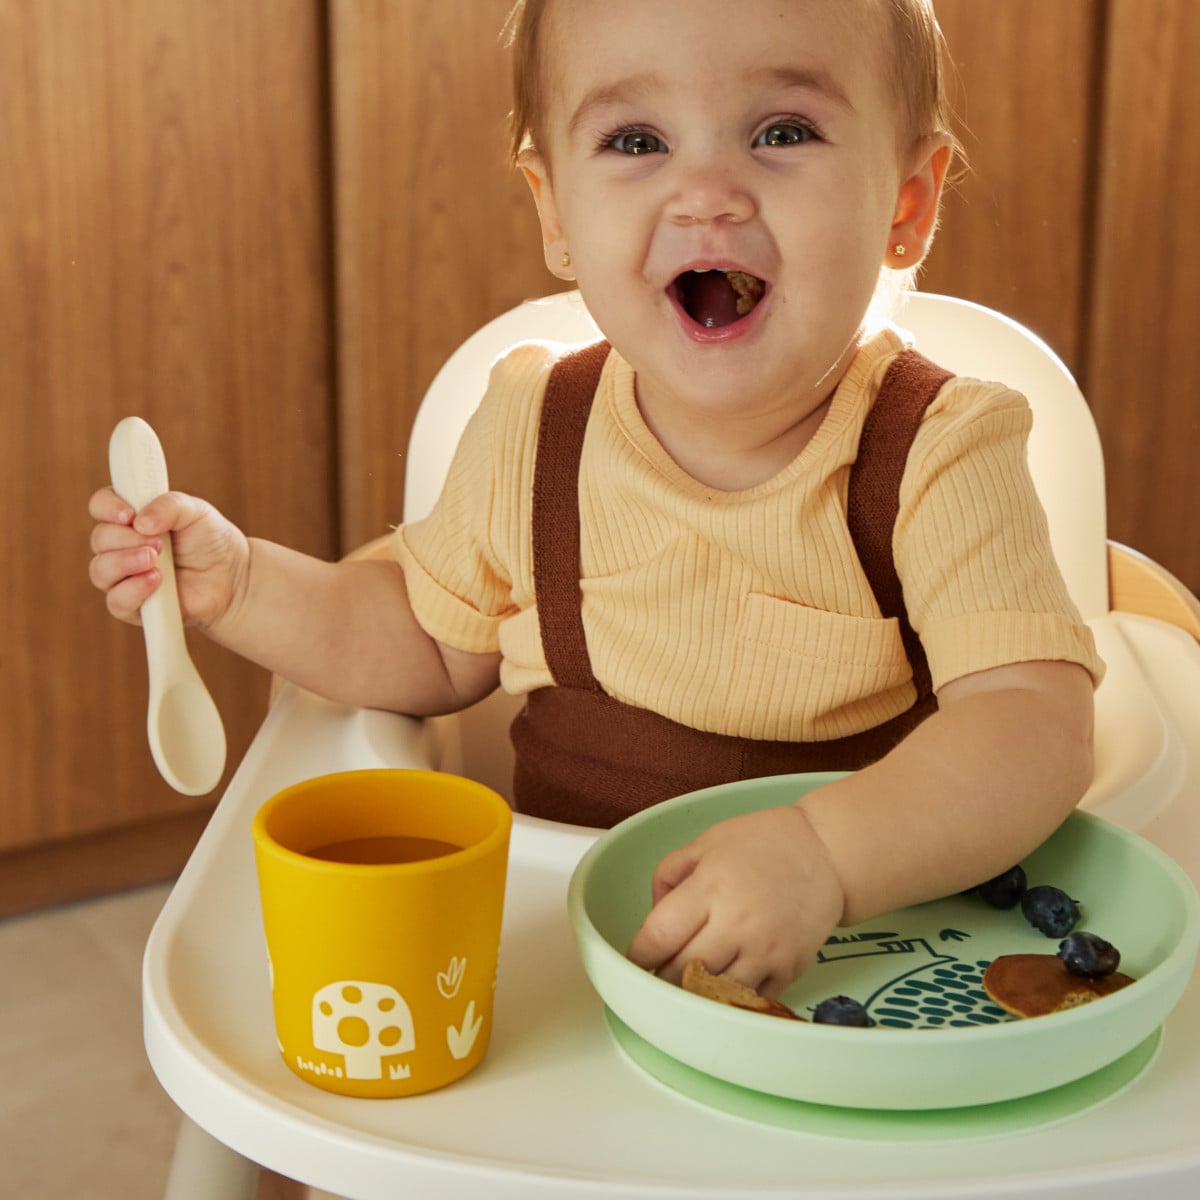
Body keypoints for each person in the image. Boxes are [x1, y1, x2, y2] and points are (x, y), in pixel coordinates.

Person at [89, 0, 1102, 1000]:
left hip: (848, 974)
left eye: (783, 132)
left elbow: (1030, 727)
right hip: (566, 965)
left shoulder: (939, 449)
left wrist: (828, 856)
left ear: (906, 206)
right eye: (636, 141)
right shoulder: (535, 431)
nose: (706, 195)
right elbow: (427, 644)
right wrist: (243, 586)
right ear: (555, 213)